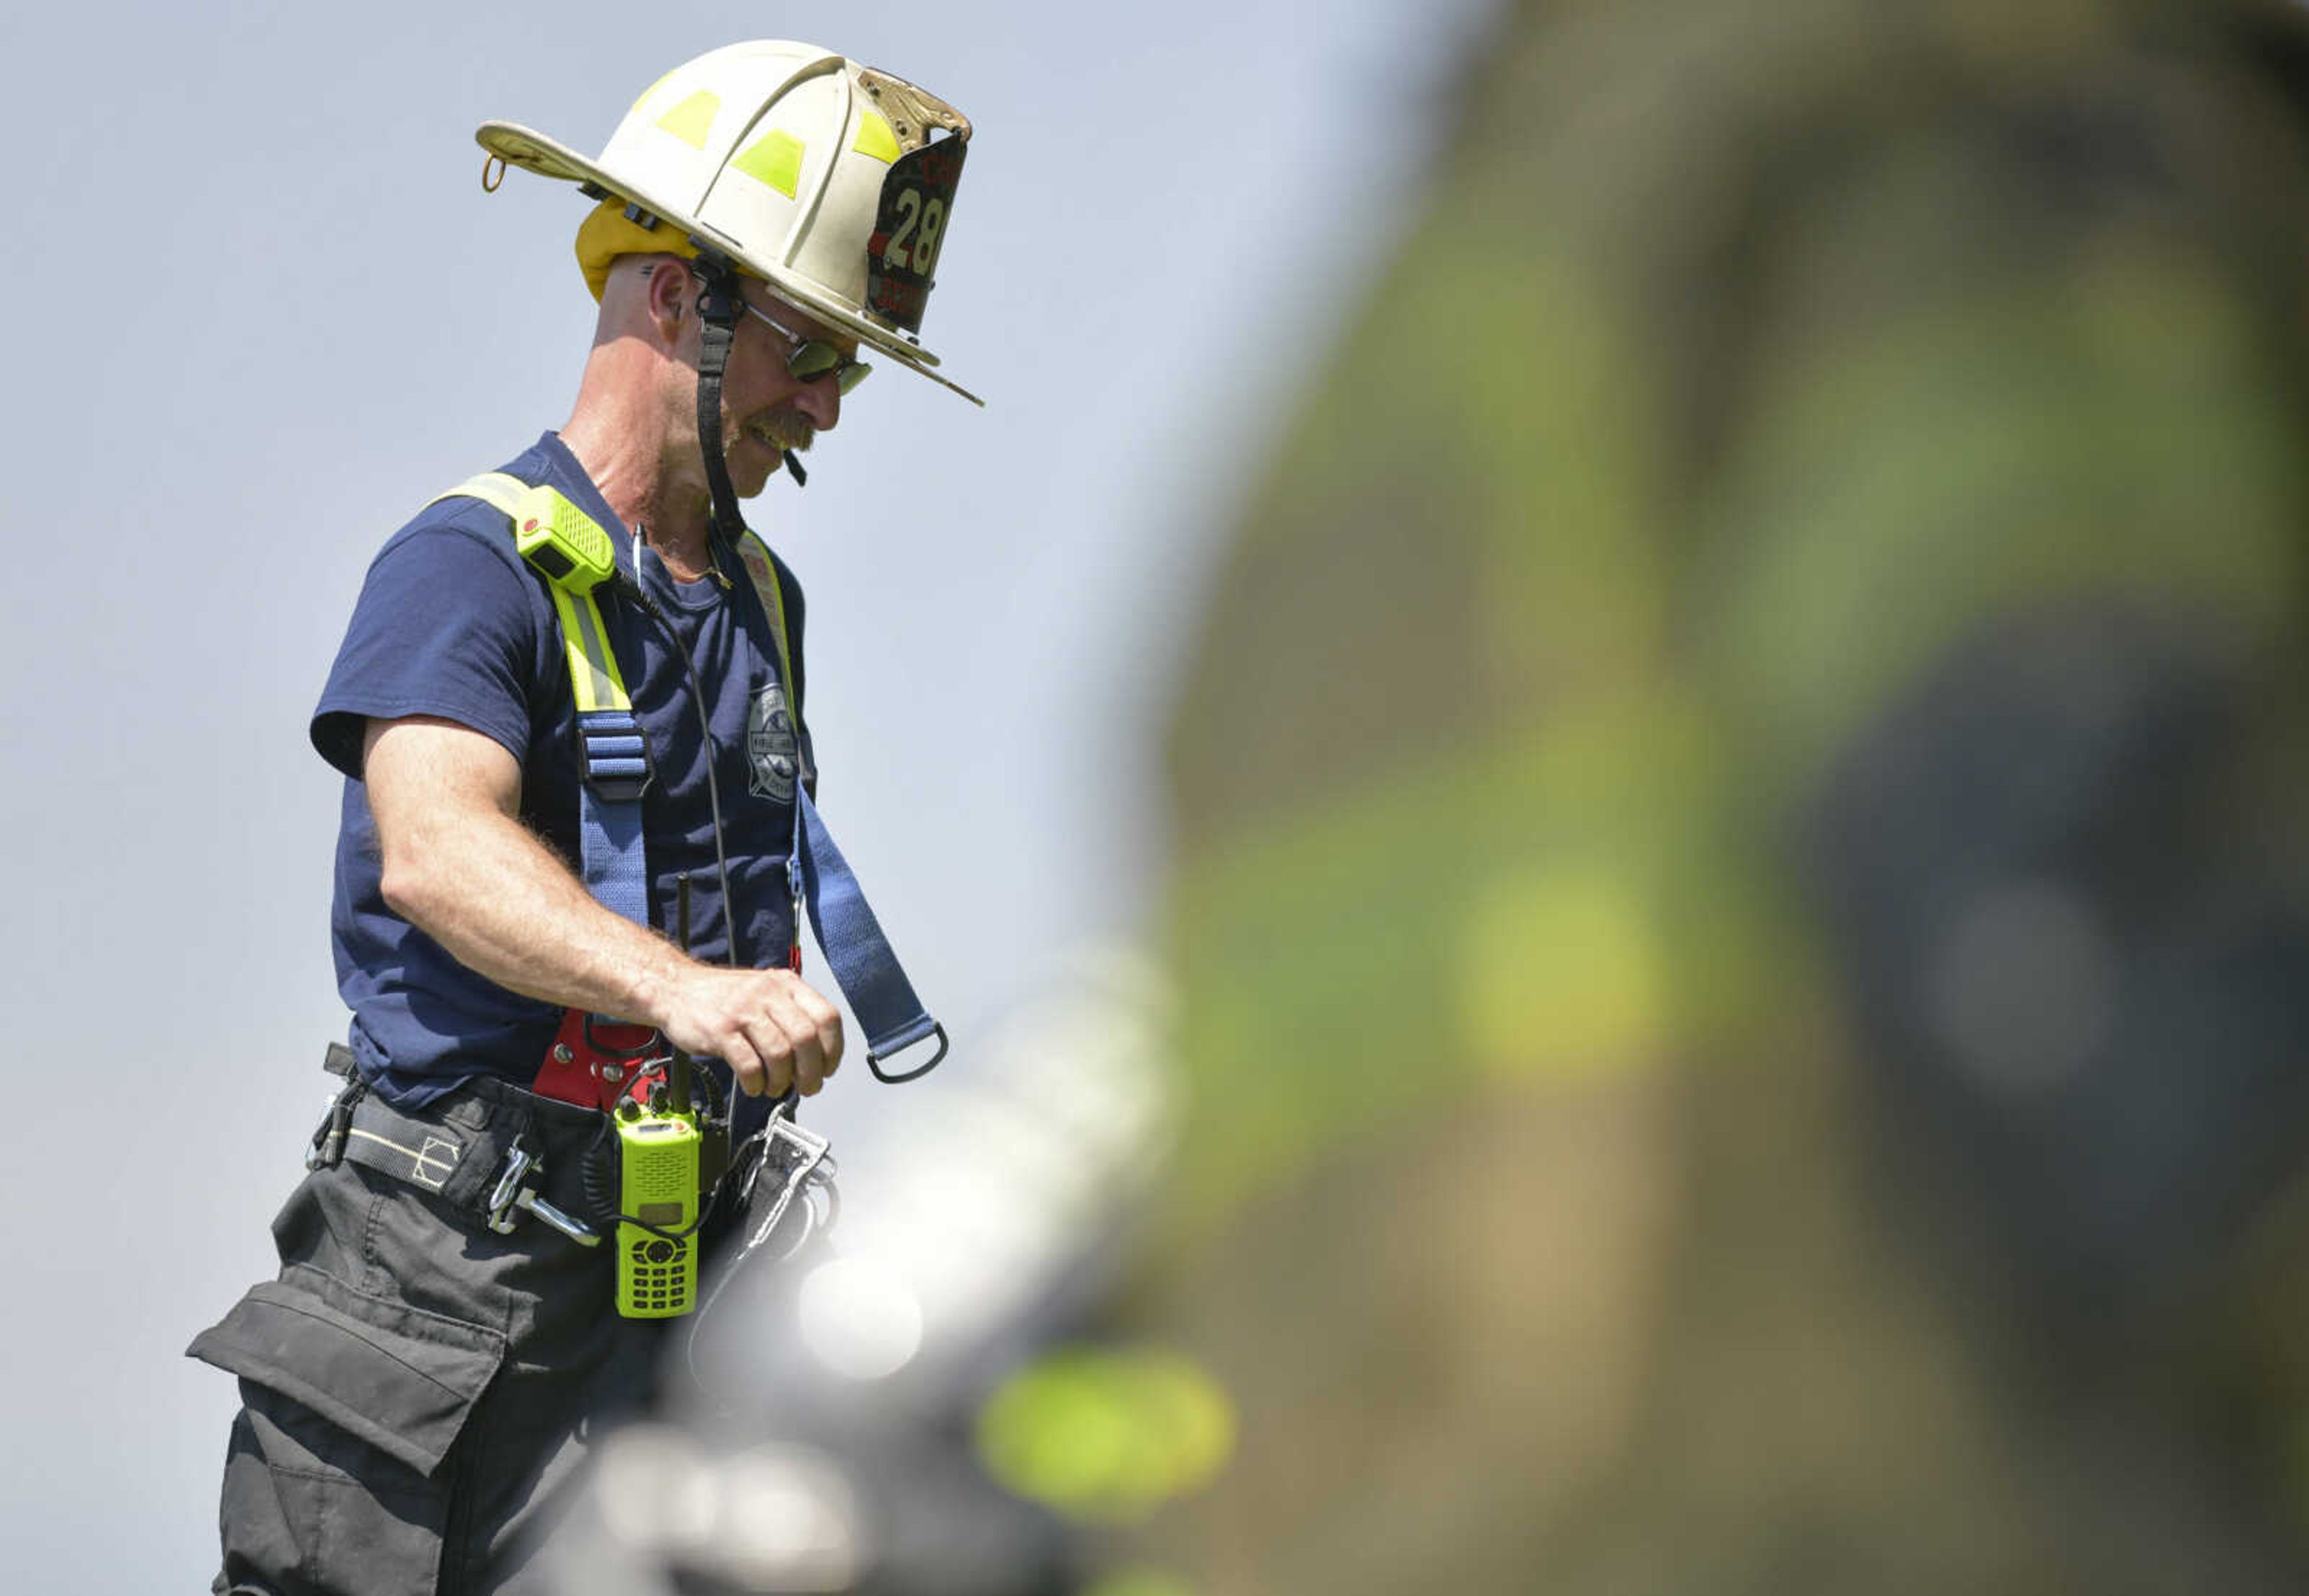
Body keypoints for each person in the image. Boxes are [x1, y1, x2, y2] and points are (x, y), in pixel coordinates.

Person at [188, 39, 977, 1595]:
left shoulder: (761, 598)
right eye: (809, 351)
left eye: (845, 370)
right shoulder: (468, 567)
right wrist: (684, 991)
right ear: (680, 296)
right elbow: (432, 844)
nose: (824, 405)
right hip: (437, 1300)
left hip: (663, 1306)